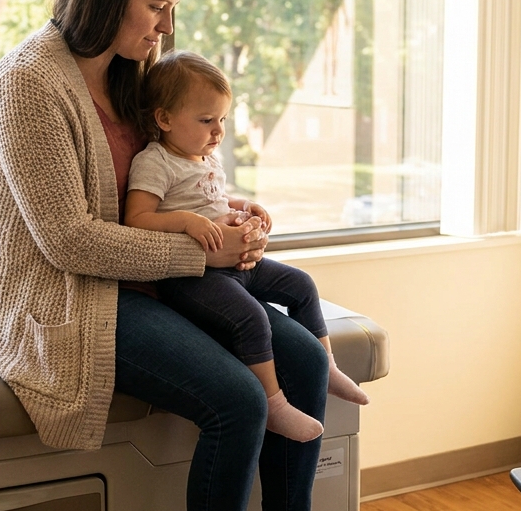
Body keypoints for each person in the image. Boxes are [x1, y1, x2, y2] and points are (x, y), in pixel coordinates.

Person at [0, 0, 325, 511]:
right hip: (70, 296)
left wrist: (230, 216)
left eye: (171, 9)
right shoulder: (28, 83)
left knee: (306, 360)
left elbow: (174, 174)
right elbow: (68, 241)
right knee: (237, 400)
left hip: (152, 280)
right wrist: (206, 256)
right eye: (157, 6)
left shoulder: (134, 78)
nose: (165, 26)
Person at [124, 49, 370, 443]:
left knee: (302, 285)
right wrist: (188, 222)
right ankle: (273, 403)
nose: (218, 131)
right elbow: (136, 219)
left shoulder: (206, 156)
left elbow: (213, 199)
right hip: (194, 276)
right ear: (164, 119)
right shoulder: (155, 163)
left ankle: (328, 367)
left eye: (222, 119)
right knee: (251, 318)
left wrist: (242, 206)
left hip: (235, 264)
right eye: (206, 121)